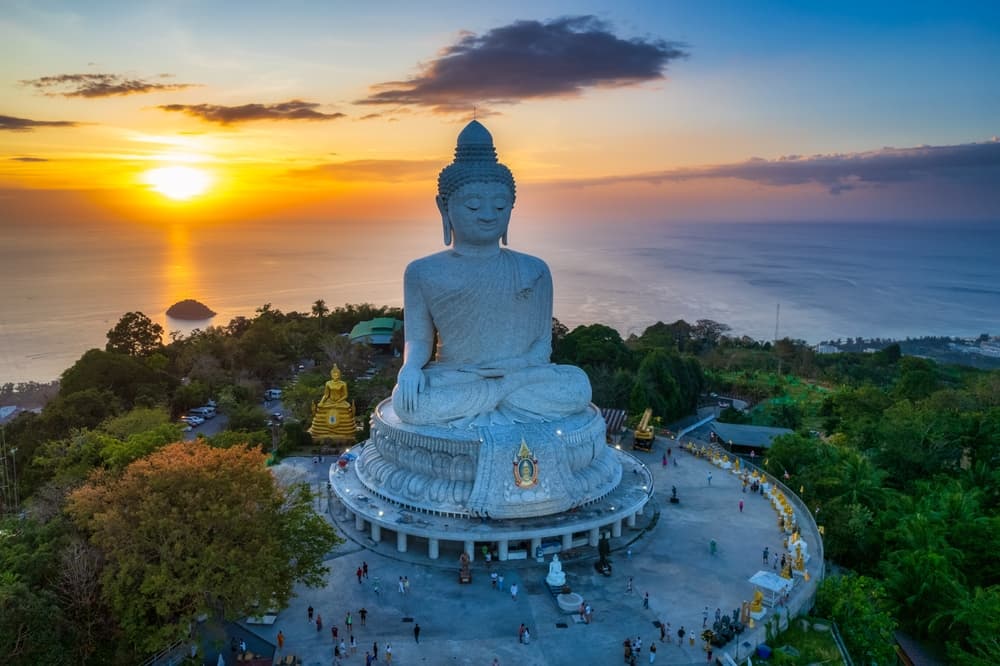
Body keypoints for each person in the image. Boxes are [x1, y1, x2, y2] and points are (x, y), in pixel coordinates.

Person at [391, 120, 592, 428]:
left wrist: (508, 374)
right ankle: (501, 400)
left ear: (512, 207)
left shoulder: (534, 270)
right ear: (443, 208)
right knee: (411, 403)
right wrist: (410, 369)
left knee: (577, 385)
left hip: (520, 375)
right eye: (472, 206)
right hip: (457, 377)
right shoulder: (421, 272)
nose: (487, 215)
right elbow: (418, 339)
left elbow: (541, 348)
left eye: (500, 206)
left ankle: (495, 397)